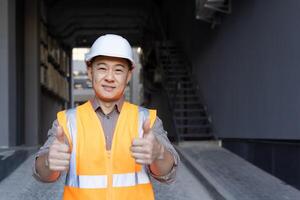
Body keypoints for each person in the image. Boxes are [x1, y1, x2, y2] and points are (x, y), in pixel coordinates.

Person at [33, 34, 179, 200]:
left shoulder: (146, 120)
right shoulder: (67, 122)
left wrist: (158, 153)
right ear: (90, 71)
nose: (109, 77)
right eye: (102, 68)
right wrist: (48, 162)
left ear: (129, 75)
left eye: (118, 70)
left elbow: (168, 172)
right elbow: (43, 174)